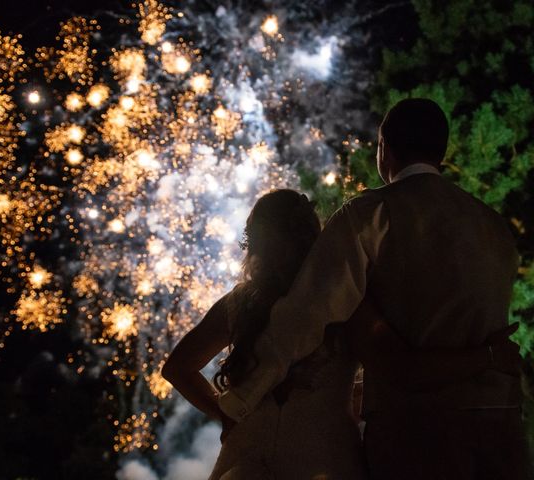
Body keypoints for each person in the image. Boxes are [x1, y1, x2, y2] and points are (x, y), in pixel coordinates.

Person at [215, 98, 531, 479]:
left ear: (384, 147)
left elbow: (307, 312)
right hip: (501, 422)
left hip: (417, 430)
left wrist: (244, 397)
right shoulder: (494, 227)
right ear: (441, 151)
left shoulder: (369, 214)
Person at [162, 187, 522, 478]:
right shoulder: (345, 303)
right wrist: (486, 356)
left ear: (255, 243)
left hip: (247, 458)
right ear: (314, 235)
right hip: (323, 458)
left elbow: (177, 367)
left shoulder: (239, 303)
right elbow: (403, 369)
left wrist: (224, 413)